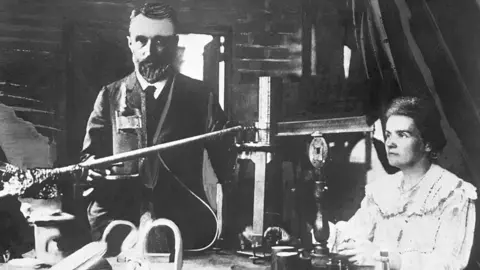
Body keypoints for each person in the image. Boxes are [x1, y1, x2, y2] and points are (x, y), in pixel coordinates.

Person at [80, 2, 234, 250]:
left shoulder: (200, 96)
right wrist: (92, 171)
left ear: (175, 44)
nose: (150, 51)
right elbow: (88, 160)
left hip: (184, 230)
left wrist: (236, 224)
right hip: (118, 229)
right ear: (130, 43)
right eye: (141, 40)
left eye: (160, 41)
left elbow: (228, 166)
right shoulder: (109, 96)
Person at [323, 96, 477, 269]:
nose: (390, 143)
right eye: (388, 135)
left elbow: (448, 263)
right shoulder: (382, 191)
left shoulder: (452, 192)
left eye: (402, 135)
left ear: (426, 144)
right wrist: (321, 230)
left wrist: (382, 257)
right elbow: (352, 234)